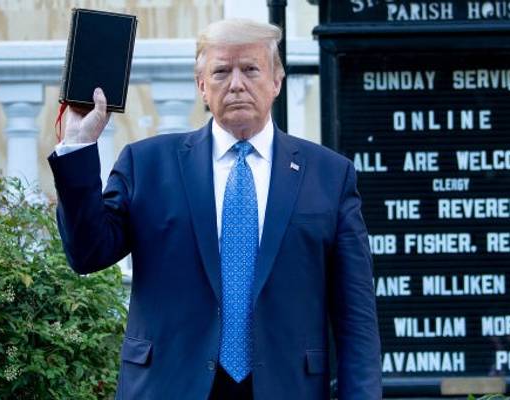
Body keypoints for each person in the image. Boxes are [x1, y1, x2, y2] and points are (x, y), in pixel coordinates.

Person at [48, 18, 381, 400]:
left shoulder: (329, 175)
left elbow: (356, 321)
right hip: (169, 386)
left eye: (251, 69)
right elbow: (87, 253)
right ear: (202, 86)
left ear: (276, 81)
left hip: (287, 387)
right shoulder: (148, 164)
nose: (237, 83)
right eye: (222, 71)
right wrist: (78, 145)